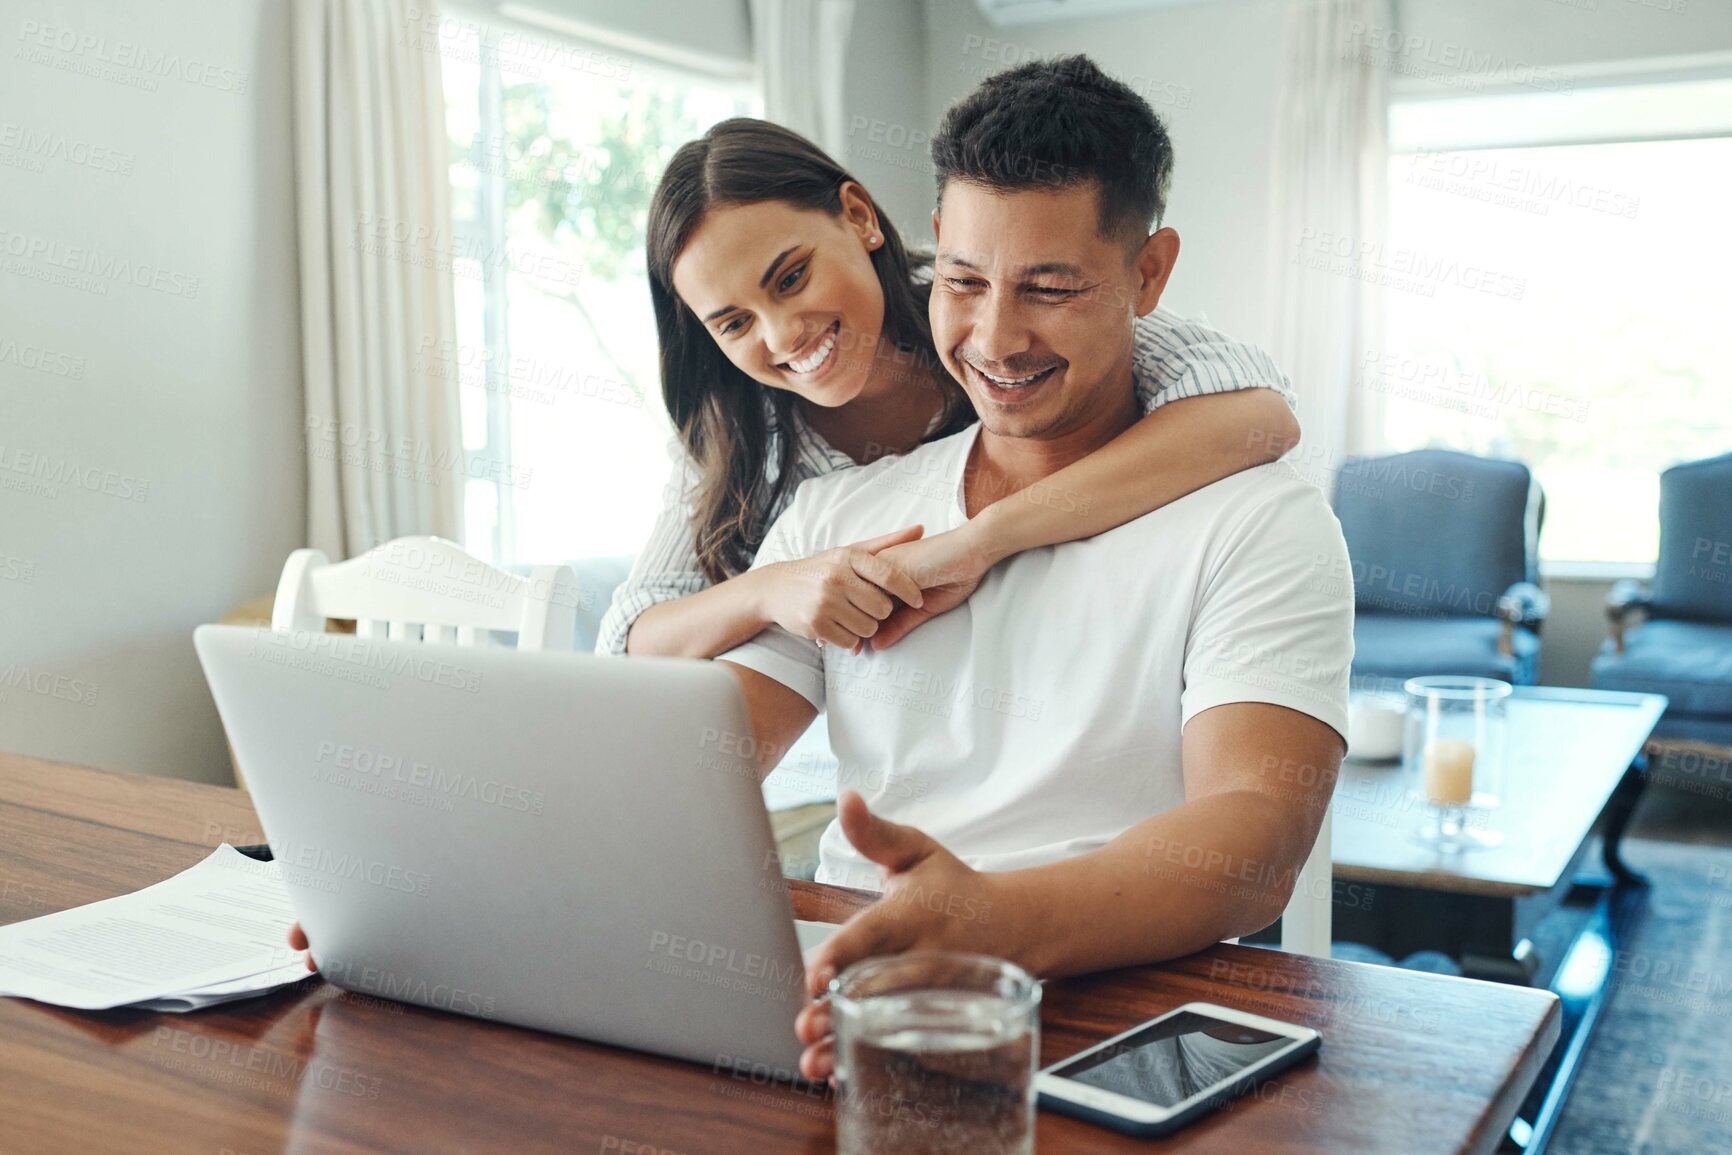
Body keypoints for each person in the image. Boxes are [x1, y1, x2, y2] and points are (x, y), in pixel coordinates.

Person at [702, 56, 1354, 1081]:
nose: (994, 338)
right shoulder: (838, 512)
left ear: (1149, 274)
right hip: (860, 997)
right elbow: (697, 766)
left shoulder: (1258, 521)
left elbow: (1253, 843)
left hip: (1126, 1018)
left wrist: (996, 920)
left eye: (1049, 288)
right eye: (962, 282)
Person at [596, 111, 1301, 660]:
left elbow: (1258, 412)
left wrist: (981, 539)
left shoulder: (981, 303)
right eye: (734, 322)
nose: (782, 337)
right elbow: (630, 635)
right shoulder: (738, 426)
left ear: (859, 217)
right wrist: (772, 588)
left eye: (791, 278)